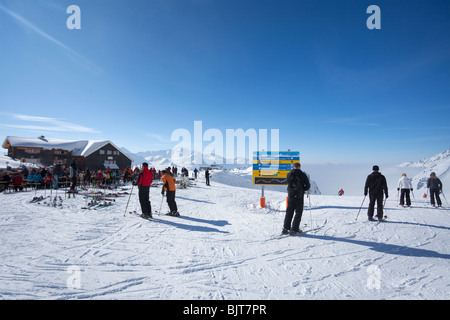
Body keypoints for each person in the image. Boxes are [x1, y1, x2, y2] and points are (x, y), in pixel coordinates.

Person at [282, 163, 311, 235]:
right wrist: (302, 189)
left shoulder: (289, 174)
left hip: (291, 195)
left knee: (289, 211)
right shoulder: (302, 174)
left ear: (293, 167)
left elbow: (288, 182)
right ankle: (294, 229)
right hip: (299, 196)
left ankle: (286, 228)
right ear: (299, 167)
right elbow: (307, 186)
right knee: (298, 212)